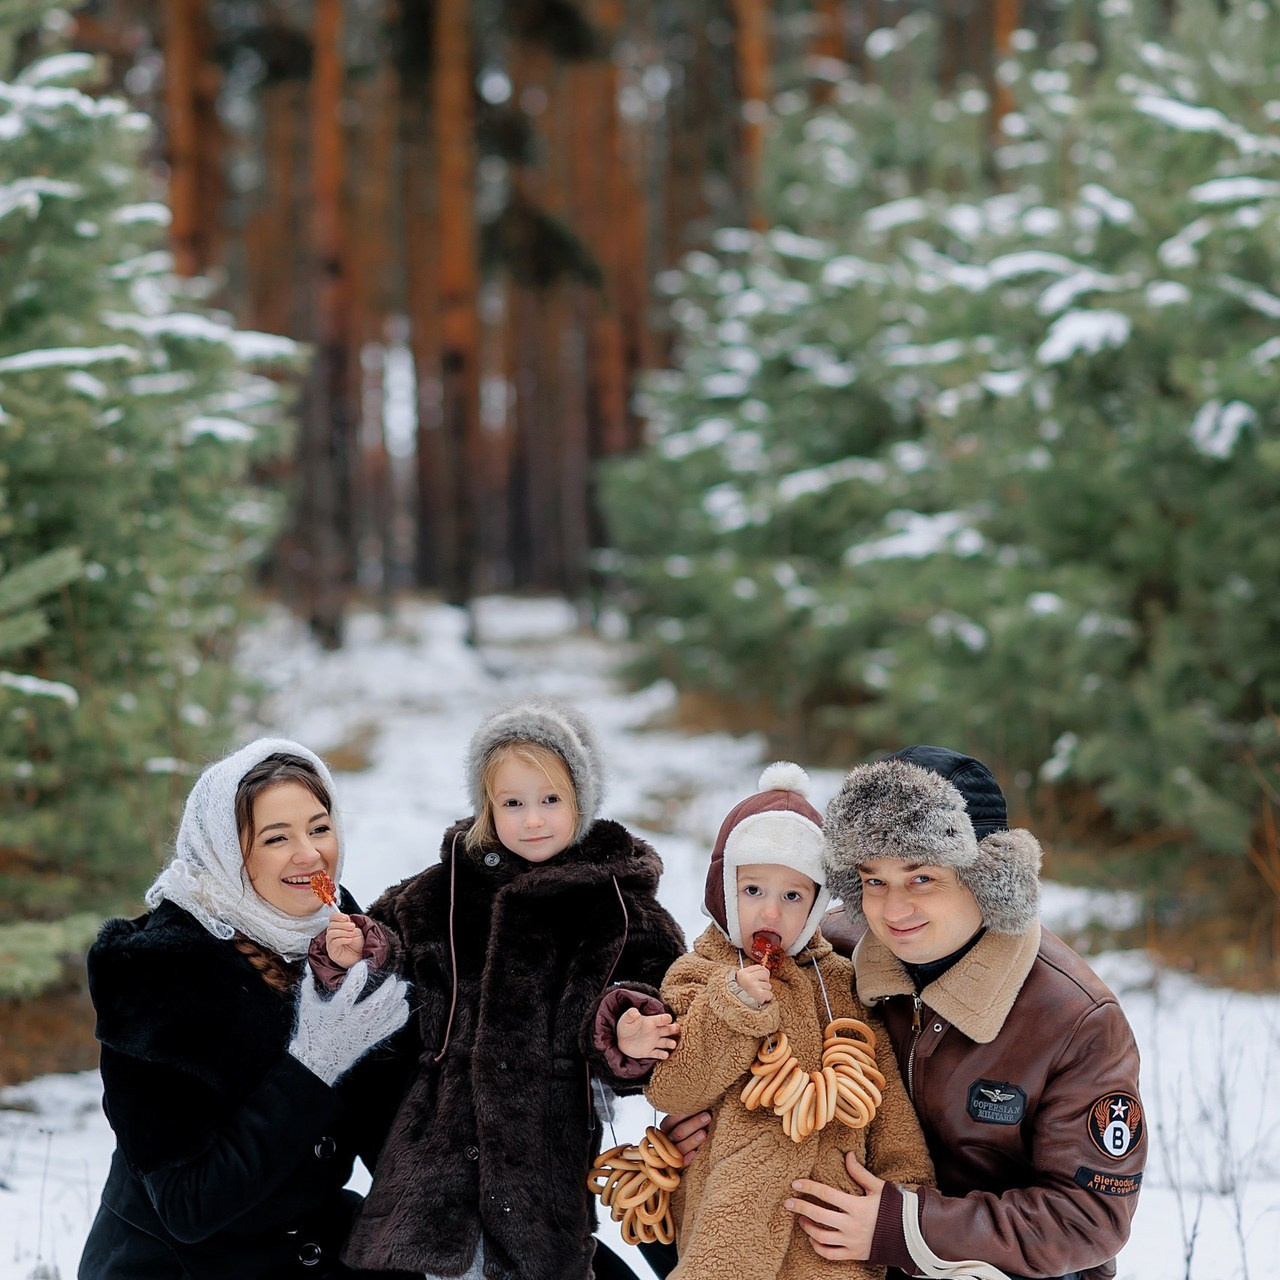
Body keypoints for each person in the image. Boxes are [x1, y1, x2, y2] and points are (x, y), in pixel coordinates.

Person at [324, 698, 688, 1280]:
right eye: (512, 803)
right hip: (431, 1156)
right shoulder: (441, 893)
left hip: (541, 1157)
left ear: (582, 801)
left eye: (550, 801)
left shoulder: (616, 906)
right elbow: (394, 952)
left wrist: (628, 1024)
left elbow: (659, 988)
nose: (532, 820)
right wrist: (364, 952)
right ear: (486, 807)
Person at [784, 745, 1146, 1280]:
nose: (892, 909)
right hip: (846, 1246)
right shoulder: (828, 955)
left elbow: (1088, 1218)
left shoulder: (1075, 1019)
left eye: (922, 878)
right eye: (873, 880)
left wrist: (906, 1225)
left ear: (987, 876)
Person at [78, 738, 414, 1280]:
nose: (310, 854)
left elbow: (394, 1133)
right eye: (277, 837)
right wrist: (315, 1064)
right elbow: (189, 1205)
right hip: (180, 1264)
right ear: (227, 853)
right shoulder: (155, 973)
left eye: (320, 827)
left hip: (309, 1246)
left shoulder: (342, 938)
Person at [640, 763, 934, 1280]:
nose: (770, 914)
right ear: (723, 890)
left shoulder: (841, 982)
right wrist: (731, 1008)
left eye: (792, 896)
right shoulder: (696, 974)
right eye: (753, 891)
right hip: (725, 1233)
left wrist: (904, 1185)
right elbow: (673, 1088)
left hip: (828, 1231)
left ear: (818, 905)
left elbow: (880, 1085)